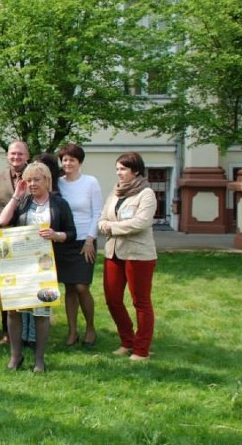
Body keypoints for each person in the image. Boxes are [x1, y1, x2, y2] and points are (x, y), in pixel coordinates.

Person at [0, 162, 76, 373]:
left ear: (47, 181)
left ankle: (39, 359)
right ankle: (16, 356)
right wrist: (16, 195)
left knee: (41, 312)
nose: (32, 184)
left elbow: (71, 233)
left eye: (36, 179)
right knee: (14, 310)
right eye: (28, 179)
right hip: (20, 264)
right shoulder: (22, 202)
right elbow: (3, 221)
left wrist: (55, 235)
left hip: (44, 267)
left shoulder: (59, 204)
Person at [98, 152, 158, 361]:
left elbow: (141, 223)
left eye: (123, 169)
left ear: (136, 170)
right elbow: (101, 219)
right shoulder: (115, 193)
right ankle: (127, 341)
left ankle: (142, 349)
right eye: (117, 169)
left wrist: (111, 227)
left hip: (138, 255)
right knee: (112, 299)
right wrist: (107, 225)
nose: (119, 173)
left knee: (140, 302)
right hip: (113, 252)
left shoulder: (146, 194)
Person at [57, 143, 103, 347]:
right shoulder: (58, 183)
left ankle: (90, 327)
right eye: (64, 159)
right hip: (65, 240)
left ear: (80, 162)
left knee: (82, 286)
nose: (67, 163)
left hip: (85, 240)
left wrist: (90, 240)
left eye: (72, 160)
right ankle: (72, 331)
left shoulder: (90, 182)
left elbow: (97, 213)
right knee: (69, 287)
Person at [0, 141, 29, 344]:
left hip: (31, 239)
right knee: (7, 287)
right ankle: (7, 331)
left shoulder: (37, 175)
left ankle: (30, 331)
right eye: (13, 154)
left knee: (30, 286)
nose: (16, 157)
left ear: (27, 156)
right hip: (6, 241)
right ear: (7, 156)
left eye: (20, 154)